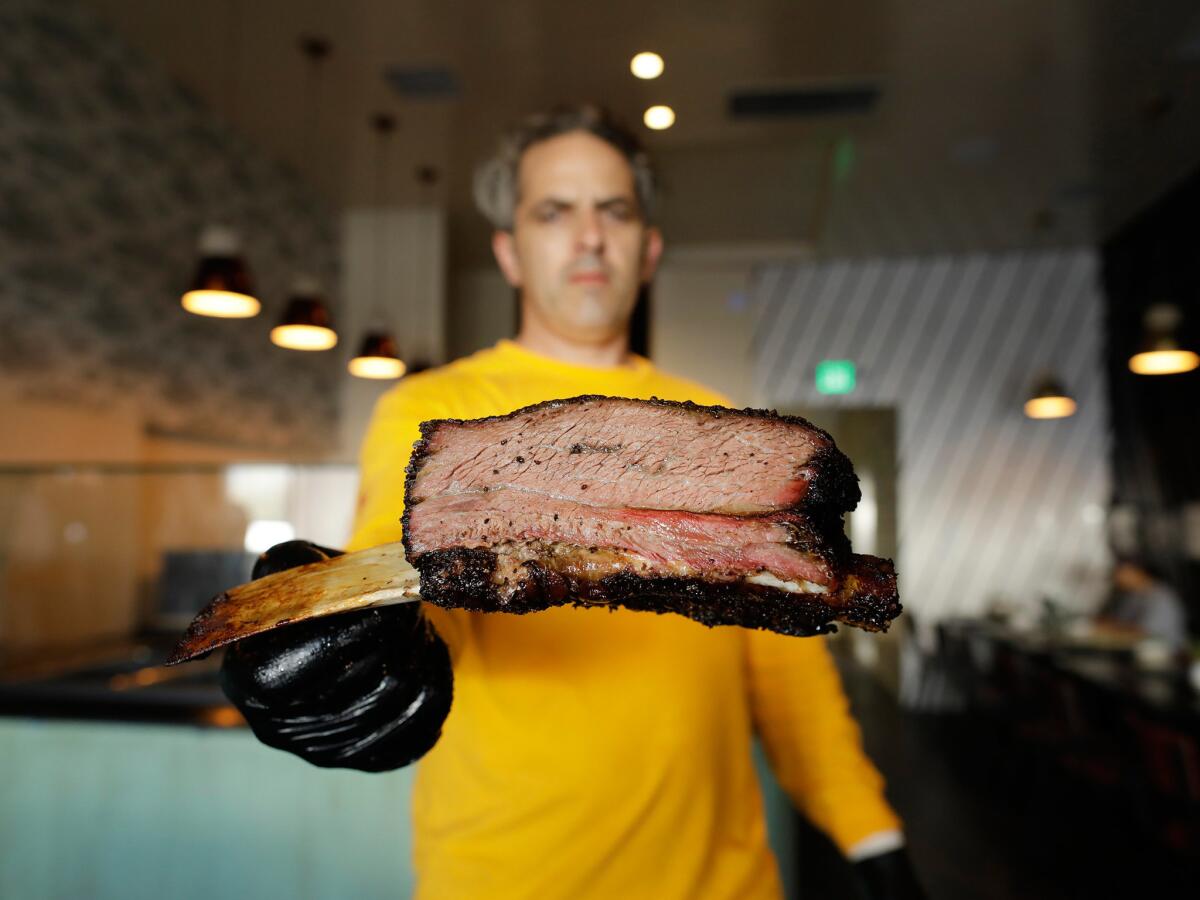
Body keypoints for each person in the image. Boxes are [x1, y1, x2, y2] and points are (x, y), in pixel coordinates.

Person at [221, 105, 924, 900]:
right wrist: (359, 643)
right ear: (509, 253)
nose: (588, 236)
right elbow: (405, 575)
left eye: (614, 210)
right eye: (553, 212)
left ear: (648, 248)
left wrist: (871, 835)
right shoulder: (432, 417)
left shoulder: (717, 423)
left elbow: (789, 671)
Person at [1096, 557, 1188, 650]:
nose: (1116, 577)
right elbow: (1115, 623)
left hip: (1165, 656)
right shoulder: (1131, 596)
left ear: (1138, 571)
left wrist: (1108, 630)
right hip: (1133, 652)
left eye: (1121, 571)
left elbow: (1145, 633)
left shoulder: (1162, 598)